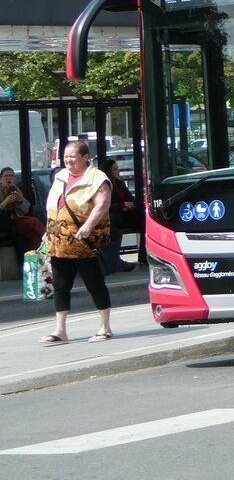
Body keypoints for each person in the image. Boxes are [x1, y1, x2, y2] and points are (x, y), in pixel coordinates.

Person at [39, 140, 114, 345]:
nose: (68, 160)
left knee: (95, 284)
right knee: (61, 286)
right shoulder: (61, 176)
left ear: (85, 157)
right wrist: (48, 231)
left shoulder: (97, 178)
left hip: (83, 242)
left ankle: (105, 327)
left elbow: (103, 203)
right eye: (65, 156)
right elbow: (54, 206)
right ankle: (60, 329)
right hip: (59, 242)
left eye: (72, 156)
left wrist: (88, 225)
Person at [96, 157, 138, 274]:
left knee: (143, 220)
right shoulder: (104, 186)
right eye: (114, 169)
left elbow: (131, 198)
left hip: (125, 214)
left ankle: (144, 255)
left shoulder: (119, 183)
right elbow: (105, 205)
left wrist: (129, 205)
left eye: (117, 169)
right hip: (111, 216)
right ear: (108, 172)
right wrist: (122, 205)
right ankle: (115, 262)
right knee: (115, 231)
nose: (118, 171)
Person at [1, 165, 46, 254]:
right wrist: (5, 202)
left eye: (11, 176)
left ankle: (37, 260)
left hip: (15, 220)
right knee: (33, 221)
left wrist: (21, 201)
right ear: (0, 178)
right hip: (4, 222)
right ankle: (50, 239)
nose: (8, 178)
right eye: (6, 176)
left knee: (34, 237)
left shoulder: (15, 189)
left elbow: (25, 209)